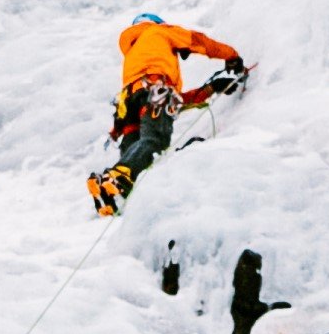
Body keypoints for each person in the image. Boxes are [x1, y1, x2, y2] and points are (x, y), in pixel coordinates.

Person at [92, 14, 249, 214]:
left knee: (136, 149)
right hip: (154, 91)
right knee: (155, 141)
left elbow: (170, 103)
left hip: (128, 105)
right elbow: (197, 41)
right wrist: (231, 56)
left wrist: (211, 89)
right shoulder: (159, 31)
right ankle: (118, 179)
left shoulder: (134, 53)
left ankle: (113, 191)